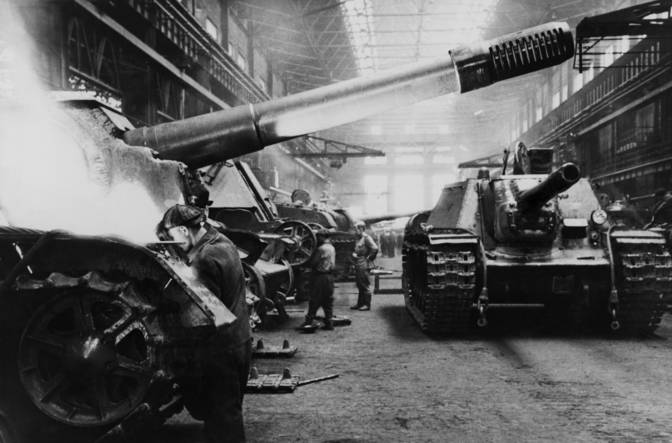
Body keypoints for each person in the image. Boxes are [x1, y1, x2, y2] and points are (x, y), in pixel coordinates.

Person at [158, 204, 251, 443]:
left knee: (222, 420)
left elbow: (203, 315)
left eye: (171, 237)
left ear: (183, 230)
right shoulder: (222, 242)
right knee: (226, 414)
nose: (172, 243)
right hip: (238, 339)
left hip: (219, 350)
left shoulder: (205, 258)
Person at [300, 230, 337, 330]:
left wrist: (303, 263)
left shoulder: (321, 249)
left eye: (318, 237)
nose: (316, 238)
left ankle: (308, 322)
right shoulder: (332, 248)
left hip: (320, 277)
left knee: (314, 300)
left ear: (322, 237)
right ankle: (329, 323)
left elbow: (313, 263)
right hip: (329, 277)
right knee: (328, 301)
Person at [350, 220, 379, 311]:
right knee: (360, 284)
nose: (355, 231)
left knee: (364, 284)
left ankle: (367, 305)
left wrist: (369, 258)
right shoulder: (359, 238)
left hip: (363, 263)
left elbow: (375, 248)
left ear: (362, 228)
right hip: (358, 263)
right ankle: (360, 304)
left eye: (356, 229)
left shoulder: (366, 238)